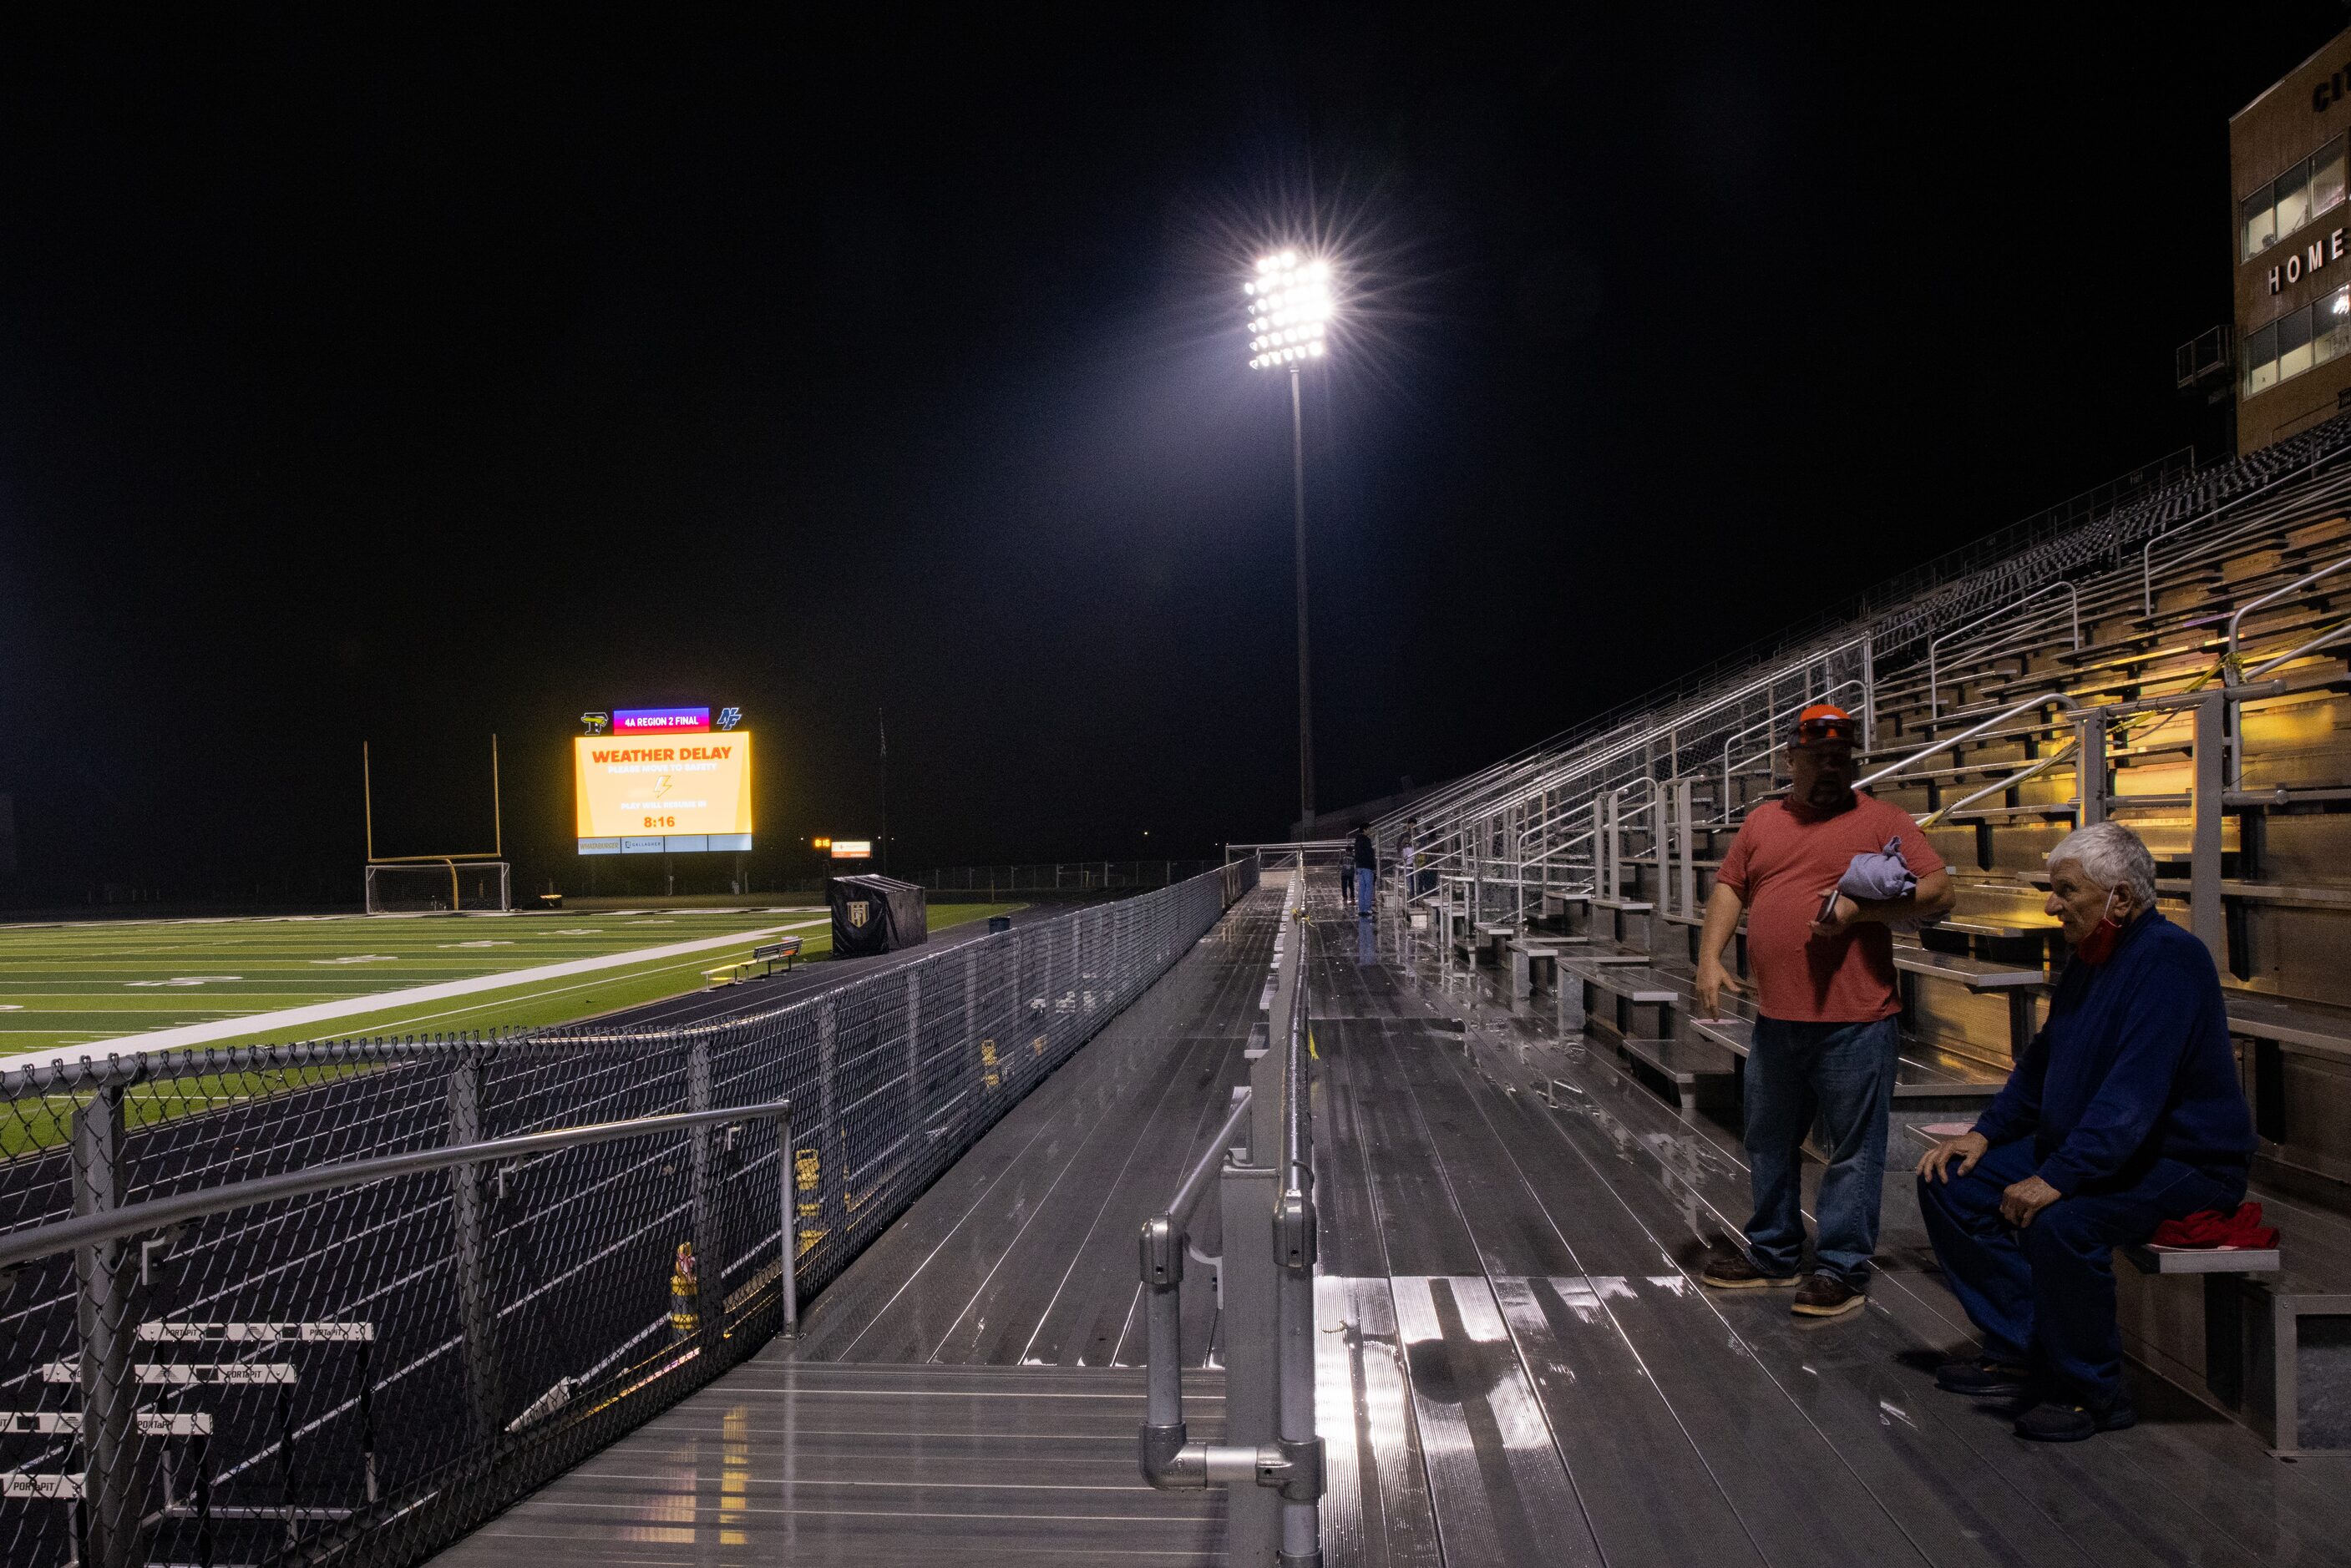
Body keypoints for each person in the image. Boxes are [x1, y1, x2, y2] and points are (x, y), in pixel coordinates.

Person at [1915, 821, 2255, 1442]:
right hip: (2107, 1151)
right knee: (1952, 1182)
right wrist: (1986, 1135)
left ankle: (2091, 1392)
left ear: (2118, 899)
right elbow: (2041, 1063)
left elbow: (2133, 1098)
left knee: (2064, 1222)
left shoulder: (2169, 961)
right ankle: (2023, 1346)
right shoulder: (2091, 958)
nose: (2050, 904)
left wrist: (2057, 1177)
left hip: (2185, 1164)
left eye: (2064, 890)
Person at [1695, 702, 1954, 1318]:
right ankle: (1774, 1252)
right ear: (1791, 760)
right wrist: (1708, 957)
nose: (1832, 768)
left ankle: (1840, 1266)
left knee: (1852, 1151)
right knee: (1768, 1140)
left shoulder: (1881, 819)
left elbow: (1941, 890)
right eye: (1818, 758)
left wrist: (1860, 913)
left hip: (1856, 1020)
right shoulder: (1762, 822)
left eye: (1842, 758)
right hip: (1777, 1019)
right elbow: (1731, 885)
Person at [1349, 822, 1376, 917]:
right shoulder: (1366, 840)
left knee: (1362, 888)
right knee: (1369, 887)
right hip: (1367, 866)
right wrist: (1373, 866)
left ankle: (1361, 909)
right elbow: (1369, 854)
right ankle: (1367, 908)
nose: (1370, 831)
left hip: (1359, 866)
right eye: (1369, 829)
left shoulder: (1357, 840)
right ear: (1364, 829)